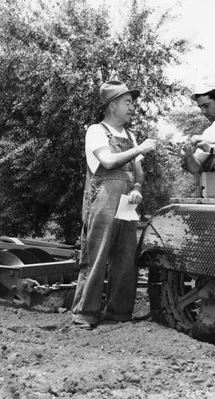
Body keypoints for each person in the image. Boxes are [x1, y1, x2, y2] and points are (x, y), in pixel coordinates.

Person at [71, 80, 156, 330]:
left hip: (127, 203)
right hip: (103, 198)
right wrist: (140, 149)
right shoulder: (96, 131)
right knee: (96, 256)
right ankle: (85, 313)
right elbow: (107, 162)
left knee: (126, 256)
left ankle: (119, 312)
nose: (133, 108)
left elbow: (139, 172)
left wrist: (138, 188)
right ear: (112, 105)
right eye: (128, 103)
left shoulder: (129, 135)